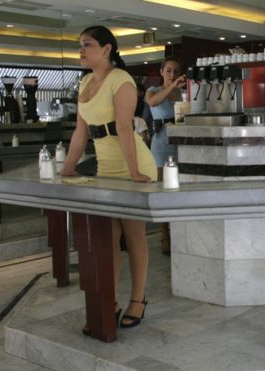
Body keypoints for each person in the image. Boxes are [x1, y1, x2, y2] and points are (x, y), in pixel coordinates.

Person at [60, 25, 156, 330]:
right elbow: (81, 131)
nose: (81, 50)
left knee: (133, 234)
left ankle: (138, 299)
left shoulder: (121, 80)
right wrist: (67, 167)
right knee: (108, 238)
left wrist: (135, 173)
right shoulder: (86, 81)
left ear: (107, 49)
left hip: (132, 162)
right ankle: (109, 300)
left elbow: (125, 129)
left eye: (87, 44)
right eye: (80, 45)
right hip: (105, 167)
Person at [145, 57, 186, 255]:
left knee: (180, 190)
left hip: (180, 144)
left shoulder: (184, 93)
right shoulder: (153, 91)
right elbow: (154, 102)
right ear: (161, 72)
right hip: (161, 143)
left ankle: (179, 231)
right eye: (168, 71)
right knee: (162, 191)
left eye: (176, 71)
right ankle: (164, 234)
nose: (172, 75)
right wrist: (171, 88)